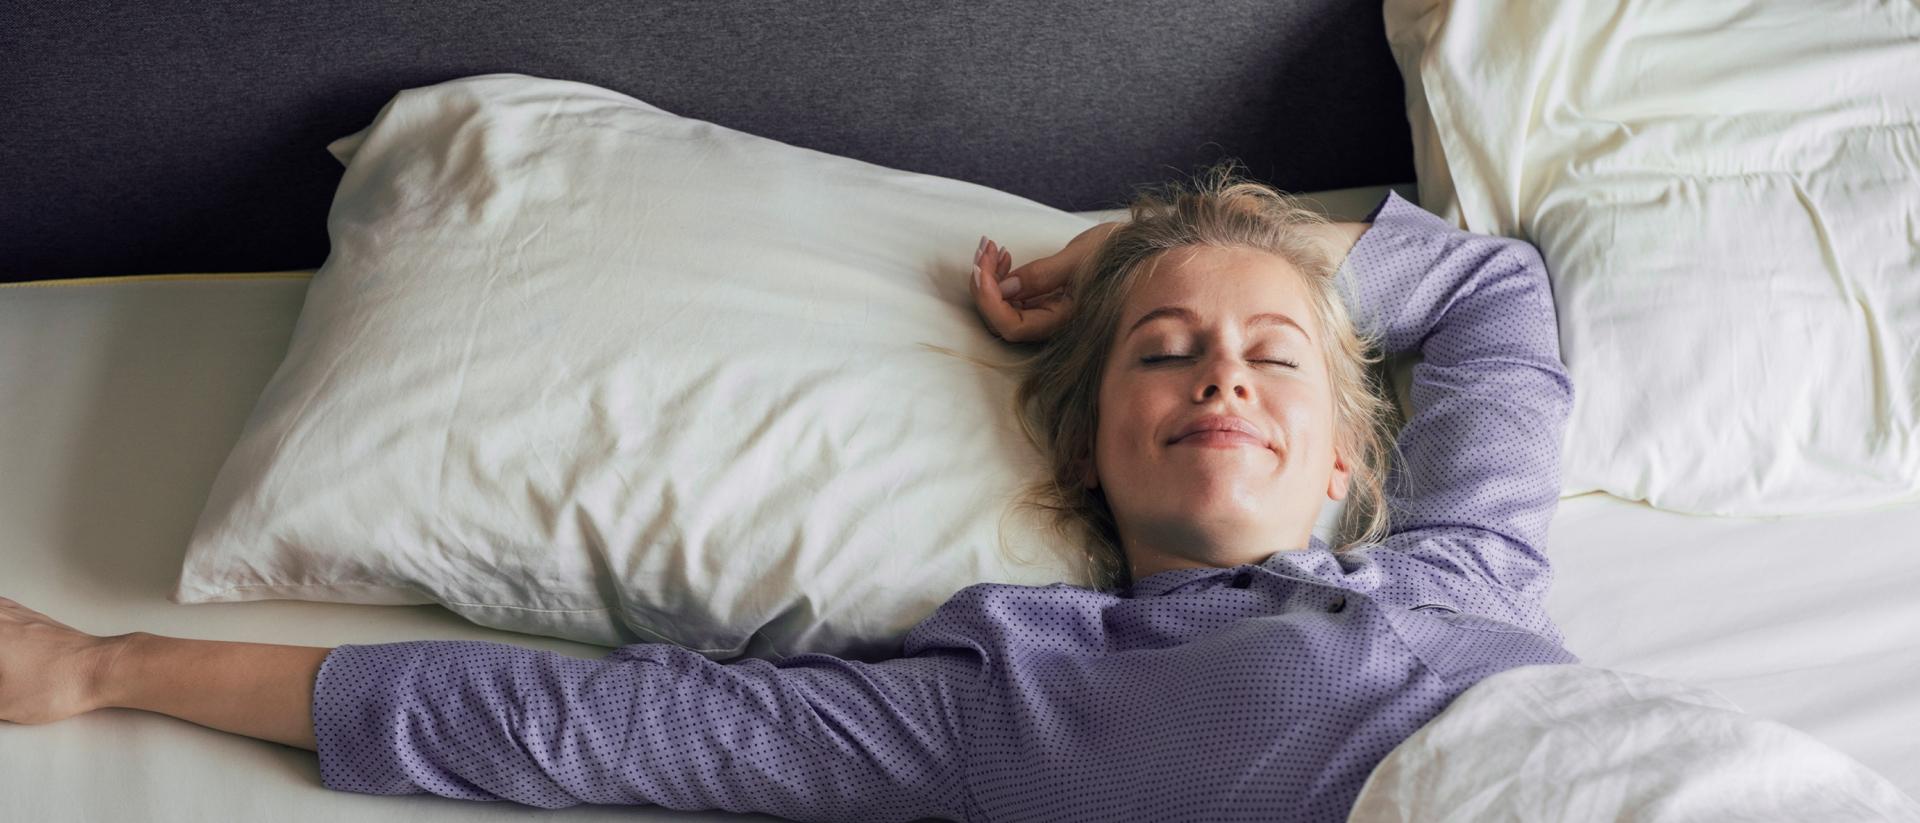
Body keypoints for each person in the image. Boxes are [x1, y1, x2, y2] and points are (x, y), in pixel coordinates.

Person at [0, 160, 1579, 822]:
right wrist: (104, 669)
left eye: (1274, 358)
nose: (1223, 376)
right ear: (1087, 444)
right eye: (1163, 354)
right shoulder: (1015, 691)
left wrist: (1122, 250)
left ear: (1351, 456)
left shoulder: (1473, 569)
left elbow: (1495, 294)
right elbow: (592, 729)